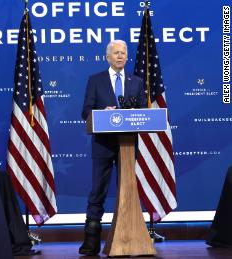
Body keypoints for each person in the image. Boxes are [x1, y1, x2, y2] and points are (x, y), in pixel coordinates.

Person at [79, 40, 147, 256]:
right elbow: (86, 111)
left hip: (128, 145)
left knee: (128, 190)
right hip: (103, 145)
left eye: (123, 53)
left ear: (127, 57)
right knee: (98, 191)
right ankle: (91, 242)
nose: (120, 56)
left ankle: (128, 238)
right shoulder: (95, 80)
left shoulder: (136, 81)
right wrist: (103, 112)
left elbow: (144, 113)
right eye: (116, 53)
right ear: (107, 57)